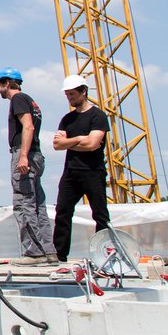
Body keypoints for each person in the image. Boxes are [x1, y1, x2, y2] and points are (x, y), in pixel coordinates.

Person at [0, 67, 57, 265]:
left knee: (23, 204)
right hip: (35, 154)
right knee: (37, 205)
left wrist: (22, 157)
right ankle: (48, 251)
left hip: (25, 154)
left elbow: (27, 126)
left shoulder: (18, 99)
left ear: (7, 83)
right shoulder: (30, 100)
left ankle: (34, 253)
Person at [51, 74, 113, 262]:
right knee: (63, 212)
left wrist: (70, 142)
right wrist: (79, 139)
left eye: (72, 94)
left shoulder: (98, 116)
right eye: (67, 94)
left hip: (93, 171)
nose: (69, 98)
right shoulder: (67, 119)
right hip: (71, 172)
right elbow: (57, 145)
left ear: (83, 92)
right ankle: (60, 255)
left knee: (100, 215)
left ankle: (103, 255)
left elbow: (92, 144)